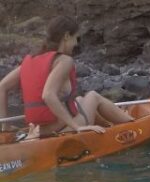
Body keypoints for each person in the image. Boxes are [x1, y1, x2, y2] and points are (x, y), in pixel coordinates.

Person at [0, 16, 133, 137]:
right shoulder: (64, 60)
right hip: (64, 130)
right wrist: (77, 127)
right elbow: (48, 95)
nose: (76, 43)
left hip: (40, 130)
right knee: (93, 96)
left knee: (80, 100)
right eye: (76, 38)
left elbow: (2, 87)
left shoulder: (33, 60)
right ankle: (133, 122)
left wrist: (5, 127)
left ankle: (109, 126)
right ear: (67, 36)